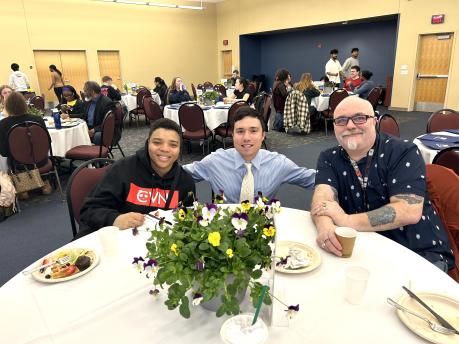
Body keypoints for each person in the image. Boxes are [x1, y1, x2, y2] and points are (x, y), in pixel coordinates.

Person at [310, 96, 454, 272]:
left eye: (359, 118)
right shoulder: (329, 158)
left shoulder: (402, 152)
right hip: (363, 248)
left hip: (416, 251)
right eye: (341, 120)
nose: (349, 126)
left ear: (374, 122)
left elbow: (408, 210)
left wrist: (346, 220)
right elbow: (322, 199)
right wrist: (324, 225)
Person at [79, 118, 196, 236]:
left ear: (180, 149)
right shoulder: (122, 170)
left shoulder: (185, 182)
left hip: (163, 247)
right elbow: (89, 210)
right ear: (148, 143)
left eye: (173, 145)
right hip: (120, 242)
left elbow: (188, 221)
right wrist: (115, 219)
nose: (165, 149)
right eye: (157, 142)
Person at [184, 107, 315, 203]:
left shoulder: (278, 163)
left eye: (253, 131)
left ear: (263, 135)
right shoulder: (215, 161)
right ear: (233, 135)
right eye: (240, 131)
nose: (246, 138)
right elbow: (178, 174)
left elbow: (313, 179)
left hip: (263, 230)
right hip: (222, 233)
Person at [0, 92, 52, 197]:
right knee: (36, 155)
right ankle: (45, 182)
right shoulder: (37, 119)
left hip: (19, 165)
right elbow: (48, 142)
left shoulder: (3, 124)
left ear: (7, 107)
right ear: (25, 104)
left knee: (14, 159)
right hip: (42, 161)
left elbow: (4, 152)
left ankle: (24, 189)